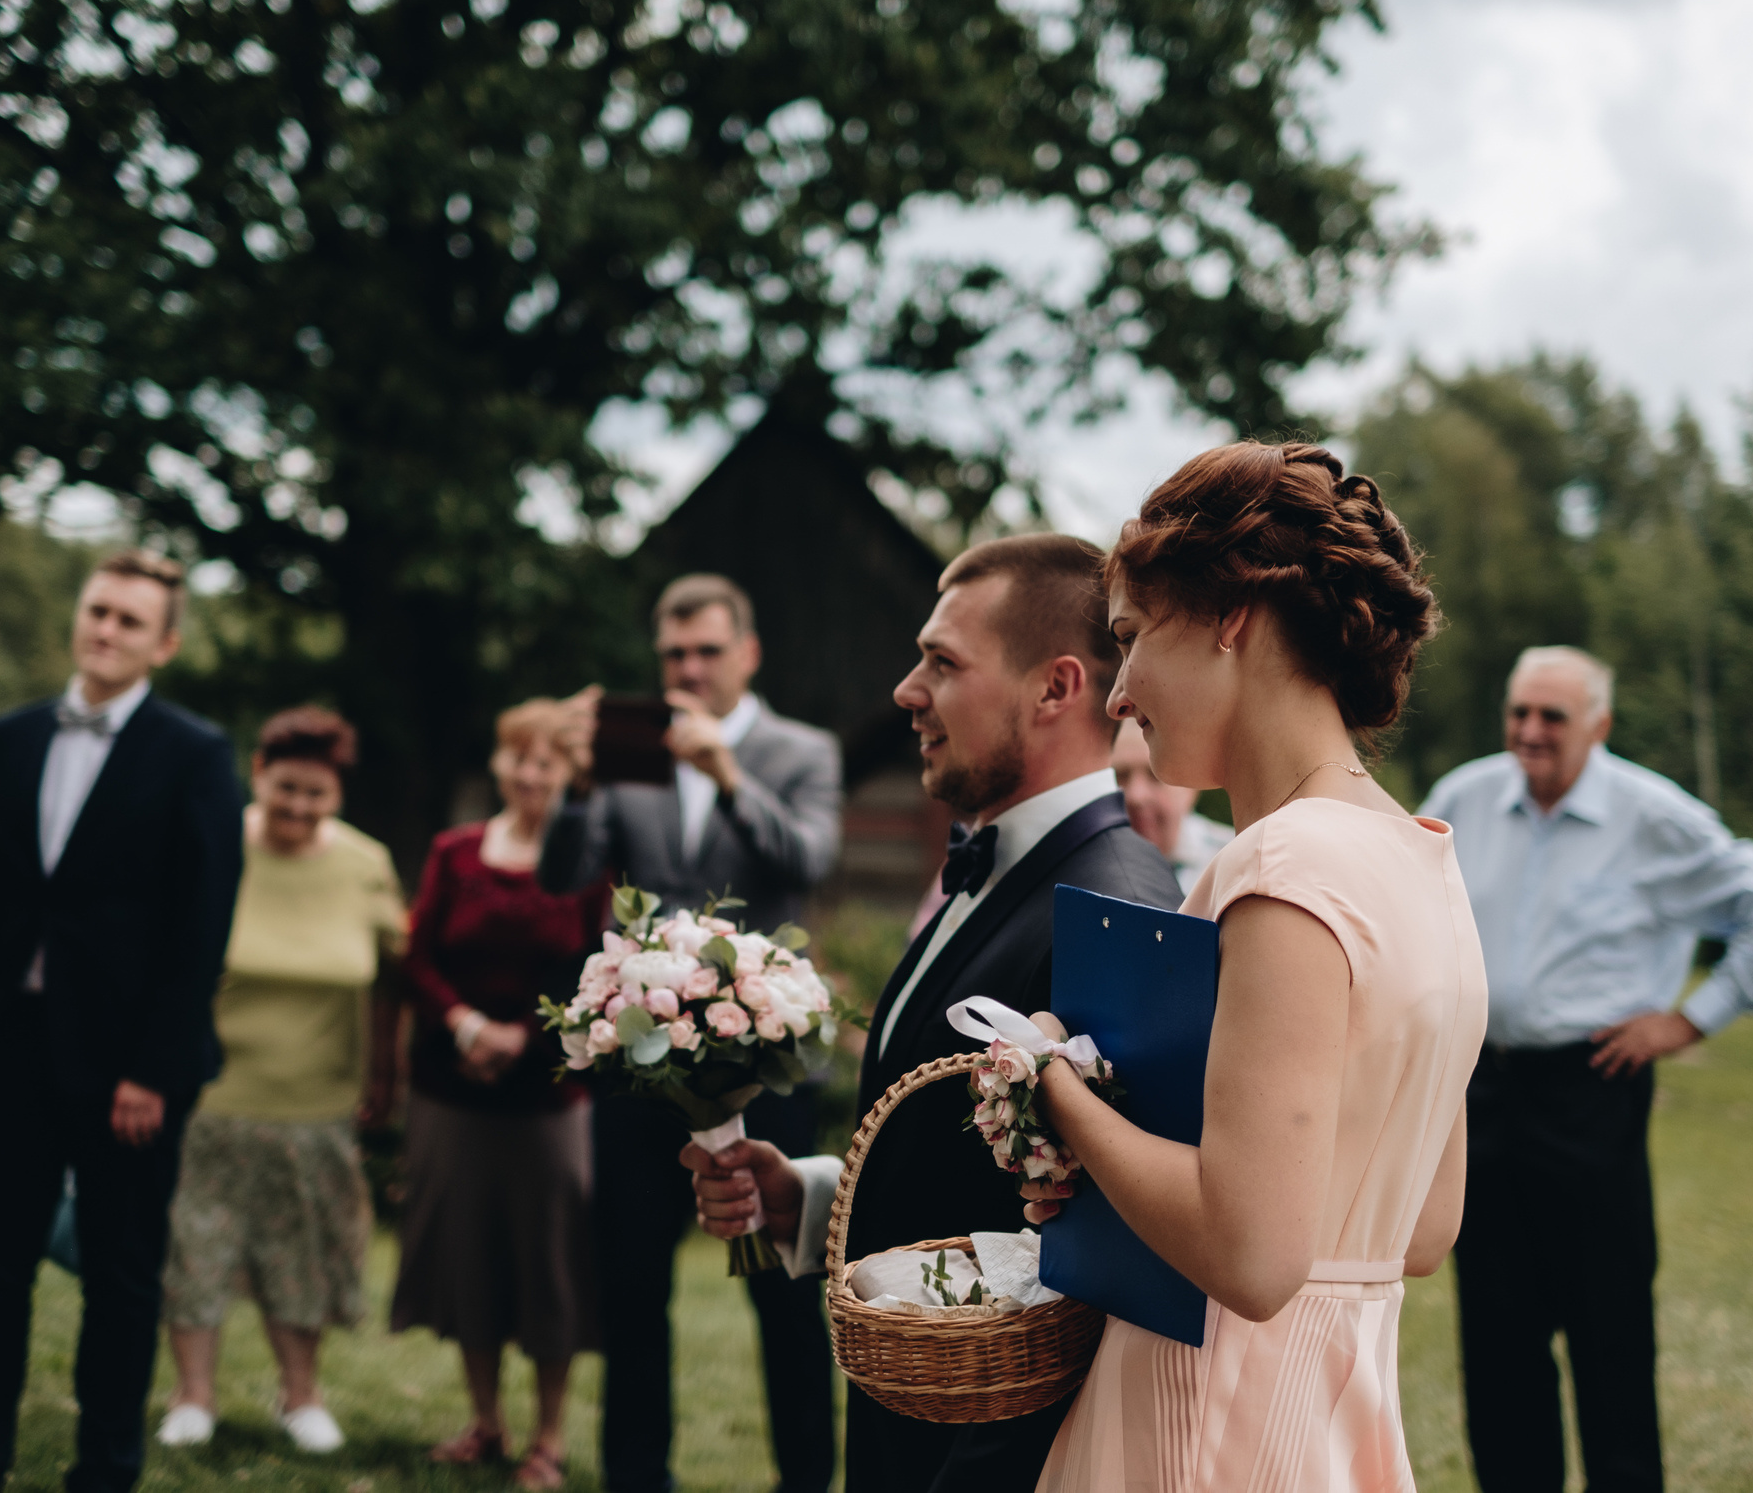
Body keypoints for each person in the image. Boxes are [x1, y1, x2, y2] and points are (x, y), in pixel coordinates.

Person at [980, 443, 1482, 1490]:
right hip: (1335, 1417)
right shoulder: (1423, 860)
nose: (1118, 694)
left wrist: (1052, 1085)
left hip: (1209, 1423)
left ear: (1229, 617)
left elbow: (1250, 1257)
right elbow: (1424, 1229)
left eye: (1130, 637)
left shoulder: (1282, 866)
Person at [686, 533, 1182, 1493]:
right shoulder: (986, 868)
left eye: (943, 663)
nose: (907, 691)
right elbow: (968, 1179)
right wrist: (813, 1198)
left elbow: (1093, 1272)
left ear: (1055, 687)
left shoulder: (1113, 908)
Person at [1417, 643, 1753, 1493]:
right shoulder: (1463, 799)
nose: (1530, 730)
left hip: (1591, 1090)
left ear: (1599, 725)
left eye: (1552, 716)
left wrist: (1689, 1019)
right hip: (1483, 1092)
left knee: (1609, 1328)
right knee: (1498, 1334)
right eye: (1519, 711)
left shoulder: (1652, 814)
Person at [0, 549, 244, 1493]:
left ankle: (105, 1470)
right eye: (97, 610)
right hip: (5, 1042)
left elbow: (202, 924)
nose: (105, 629)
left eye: (129, 620)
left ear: (164, 644)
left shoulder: (196, 753)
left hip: (128, 1061)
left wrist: (155, 1067)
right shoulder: (10, 737)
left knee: (122, 1276)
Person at [537, 574, 840, 1493]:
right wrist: (578, 784)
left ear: (747, 654)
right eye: (674, 653)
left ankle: (804, 1480)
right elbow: (562, 874)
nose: (690, 669)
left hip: (767, 1063)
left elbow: (809, 857)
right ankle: (636, 1478)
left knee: (785, 1290)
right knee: (631, 1286)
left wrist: (727, 776)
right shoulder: (628, 755)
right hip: (641, 1067)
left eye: (708, 651)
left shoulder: (801, 750)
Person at [156, 707, 406, 1455]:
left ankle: (301, 1397)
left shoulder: (365, 864)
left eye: (316, 793)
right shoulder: (211, 844)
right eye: (286, 787)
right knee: (195, 1246)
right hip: (209, 1091)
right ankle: (193, 1395)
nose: (298, 805)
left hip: (318, 1099)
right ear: (258, 773)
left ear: (339, 794)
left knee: (301, 1254)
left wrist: (385, 1072)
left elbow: (396, 973)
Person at [385, 698, 609, 1491]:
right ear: (498, 762)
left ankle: (548, 1436)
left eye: (547, 760)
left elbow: (597, 968)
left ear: (569, 772)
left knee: (548, 1262)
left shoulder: (589, 863)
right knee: (468, 1254)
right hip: (452, 1088)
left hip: (548, 1094)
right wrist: (466, 1025)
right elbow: (417, 957)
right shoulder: (454, 851)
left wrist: (523, 1038)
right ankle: (485, 1420)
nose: (529, 773)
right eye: (518, 756)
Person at [1110, 716, 1235, 893]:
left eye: (1155, 775)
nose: (1136, 796)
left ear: (1191, 787)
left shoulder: (1235, 864)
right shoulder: (1088, 865)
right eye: (1121, 776)